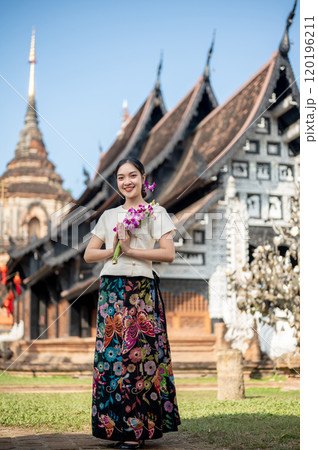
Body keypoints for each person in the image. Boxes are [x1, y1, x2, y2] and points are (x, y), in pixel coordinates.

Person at [84, 157, 181, 449]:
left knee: (139, 357)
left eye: (133, 176)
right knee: (112, 358)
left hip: (140, 287)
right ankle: (114, 427)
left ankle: (138, 430)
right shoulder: (109, 216)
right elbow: (90, 254)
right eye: (121, 177)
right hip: (111, 287)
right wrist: (114, 248)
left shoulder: (156, 212)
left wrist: (130, 250)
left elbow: (168, 254)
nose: (127, 182)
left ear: (143, 178)